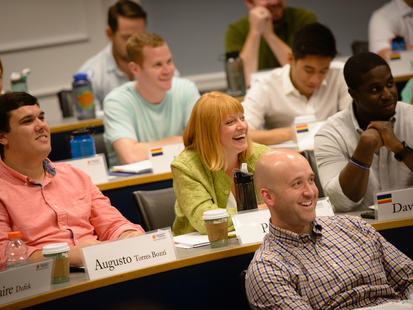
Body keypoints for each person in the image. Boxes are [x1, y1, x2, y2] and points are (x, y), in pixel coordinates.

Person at [246, 149, 413, 309]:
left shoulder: (354, 226)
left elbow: (409, 277)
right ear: (268, 196)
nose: (311, 192)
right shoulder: (268, 269)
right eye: (297, 184)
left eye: (311, 180)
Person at [0, 92, 145, 268]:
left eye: (42, 117)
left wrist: (128, 235)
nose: (41, 126)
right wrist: (64, 257)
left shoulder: (75, 175)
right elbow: (4, 255)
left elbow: (112, 223)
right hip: (46, 282)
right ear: (2, 137)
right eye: (28, 121)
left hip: (100, 268)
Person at [314, 52, 413, 212]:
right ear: (354, 94)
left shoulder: (411, 116)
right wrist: (364, 149)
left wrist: (400, 149)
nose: (387, 95)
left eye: (390, 84)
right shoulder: (330, 134)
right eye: (375, 89)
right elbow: (339, 202)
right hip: (360, 231)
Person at [171, 91, 269, 236]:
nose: (242, 126)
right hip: (206, 253)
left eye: (242, 118)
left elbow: (286, 204)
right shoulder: (186, 167)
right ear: (208, 131)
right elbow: (206, 221)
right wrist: (259, 212)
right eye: (230, 122)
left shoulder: (263, 155)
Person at [243, 22, 350, 146]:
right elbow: (241, 133)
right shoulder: (266, 85)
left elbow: (353, 123)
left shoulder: (340, 74)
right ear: (290, 59)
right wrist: (294, 132)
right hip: (287, 159)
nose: (315, 79)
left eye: (323, 71)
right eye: (308, 70)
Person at [103, 32, 200, 167]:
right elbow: (130, 156)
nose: (168, 70)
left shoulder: (186, 89)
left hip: (183, 175)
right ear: (135, 68)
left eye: (169, 61)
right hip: (136, 184)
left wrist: (146, 149)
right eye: (157, 65)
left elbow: (203, 143)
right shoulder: (116, 101)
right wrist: (178, 141)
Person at [225, 0, 317, 86]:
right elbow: (243, 82)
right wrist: (255, 32)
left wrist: (269, 35)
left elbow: (305, 73)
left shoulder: (304, 18)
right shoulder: (236, 30)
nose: (274, 1)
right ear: (249, 2)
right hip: (259, 94)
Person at [77, 0, 147, 109]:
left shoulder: (157, 63)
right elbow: (89, 123)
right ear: (110, 34)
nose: (134, 44)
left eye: (140, 37)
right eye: (127, 38)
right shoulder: (89, 76)